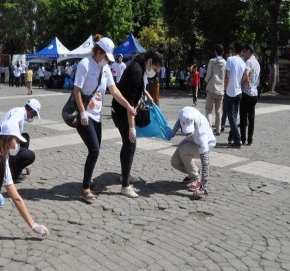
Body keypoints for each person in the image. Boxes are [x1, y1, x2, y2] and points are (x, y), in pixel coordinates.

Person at [73, 35, 136, 201]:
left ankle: (88, 181)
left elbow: (114, 91)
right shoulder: (85, 64)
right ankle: (86, 188)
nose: (107, 60)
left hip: (97, 115)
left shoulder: (106, 68)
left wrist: (128, 106)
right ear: (98, 52)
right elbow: (77, 91)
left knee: (95, 151)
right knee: (94, 150)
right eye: (105, 57)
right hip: (85, 115)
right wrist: (82, 112)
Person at [112, 49, 163, 198]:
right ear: (150, 62)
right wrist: (132, 128)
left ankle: (124, 176)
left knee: (127, 145)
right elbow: (130, 102)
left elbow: (136, 97)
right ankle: (125, 186)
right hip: (121, 113)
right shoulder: (137, 71)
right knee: (130, 145)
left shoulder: (137, 66)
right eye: (154, 69)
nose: (154, 72)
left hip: (120, 111)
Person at [169, 106, 216, 199]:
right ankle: (194, 172)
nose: (187, 133)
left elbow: (205, 162)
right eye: (186, 131)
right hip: (192, 140)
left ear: (195, 123)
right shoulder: (184, 112)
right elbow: (179, 121)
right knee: (175, 161)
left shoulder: (202, 134)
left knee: (183, 151)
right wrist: (172, 133)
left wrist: (203, 187)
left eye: (189, 131)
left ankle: (196, 179)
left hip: (206, 143)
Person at [0, 99, 41, 181]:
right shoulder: (19, 114)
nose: (33, 117)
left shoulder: (19, 110)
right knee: (30, 155)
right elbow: (9, 125)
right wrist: (14, 147)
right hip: (1, 145)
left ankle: (15, 167)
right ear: (32, 111)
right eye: (34, 115)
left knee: (25, 137)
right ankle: (13, 173)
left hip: (0, 140)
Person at [224, 42, 248, 148]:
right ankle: (231, 138)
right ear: (242, 51)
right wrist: (240, 84)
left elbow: (227, 76)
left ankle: (237, 140)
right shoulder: (243, 63)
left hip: (230, 91)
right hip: (238, 91)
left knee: (231, 116)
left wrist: (225, 88)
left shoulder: (230, 59)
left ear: (234, 49)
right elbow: (245, 78)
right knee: (234, 116)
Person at [240, 43, 260, 146]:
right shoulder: (257, 63)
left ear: (248, 51)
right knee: (251, 117)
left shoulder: (248, 62)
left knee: (243, 117)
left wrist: (241, 83)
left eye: (244, 51)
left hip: (246, 92)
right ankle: (250, 139)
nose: (243, 53)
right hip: (255, 93)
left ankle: (242, 139)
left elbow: (246, 74)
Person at [205, 44, 226, 136]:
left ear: (215, 51)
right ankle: (218, 129)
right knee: (218, 111)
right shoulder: (225, 62)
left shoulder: (212, 61)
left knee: (208, 109)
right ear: (223, 52)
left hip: (212, 87)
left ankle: (209, 127)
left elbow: (209, 74)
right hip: (221, 88)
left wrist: (206, 80)